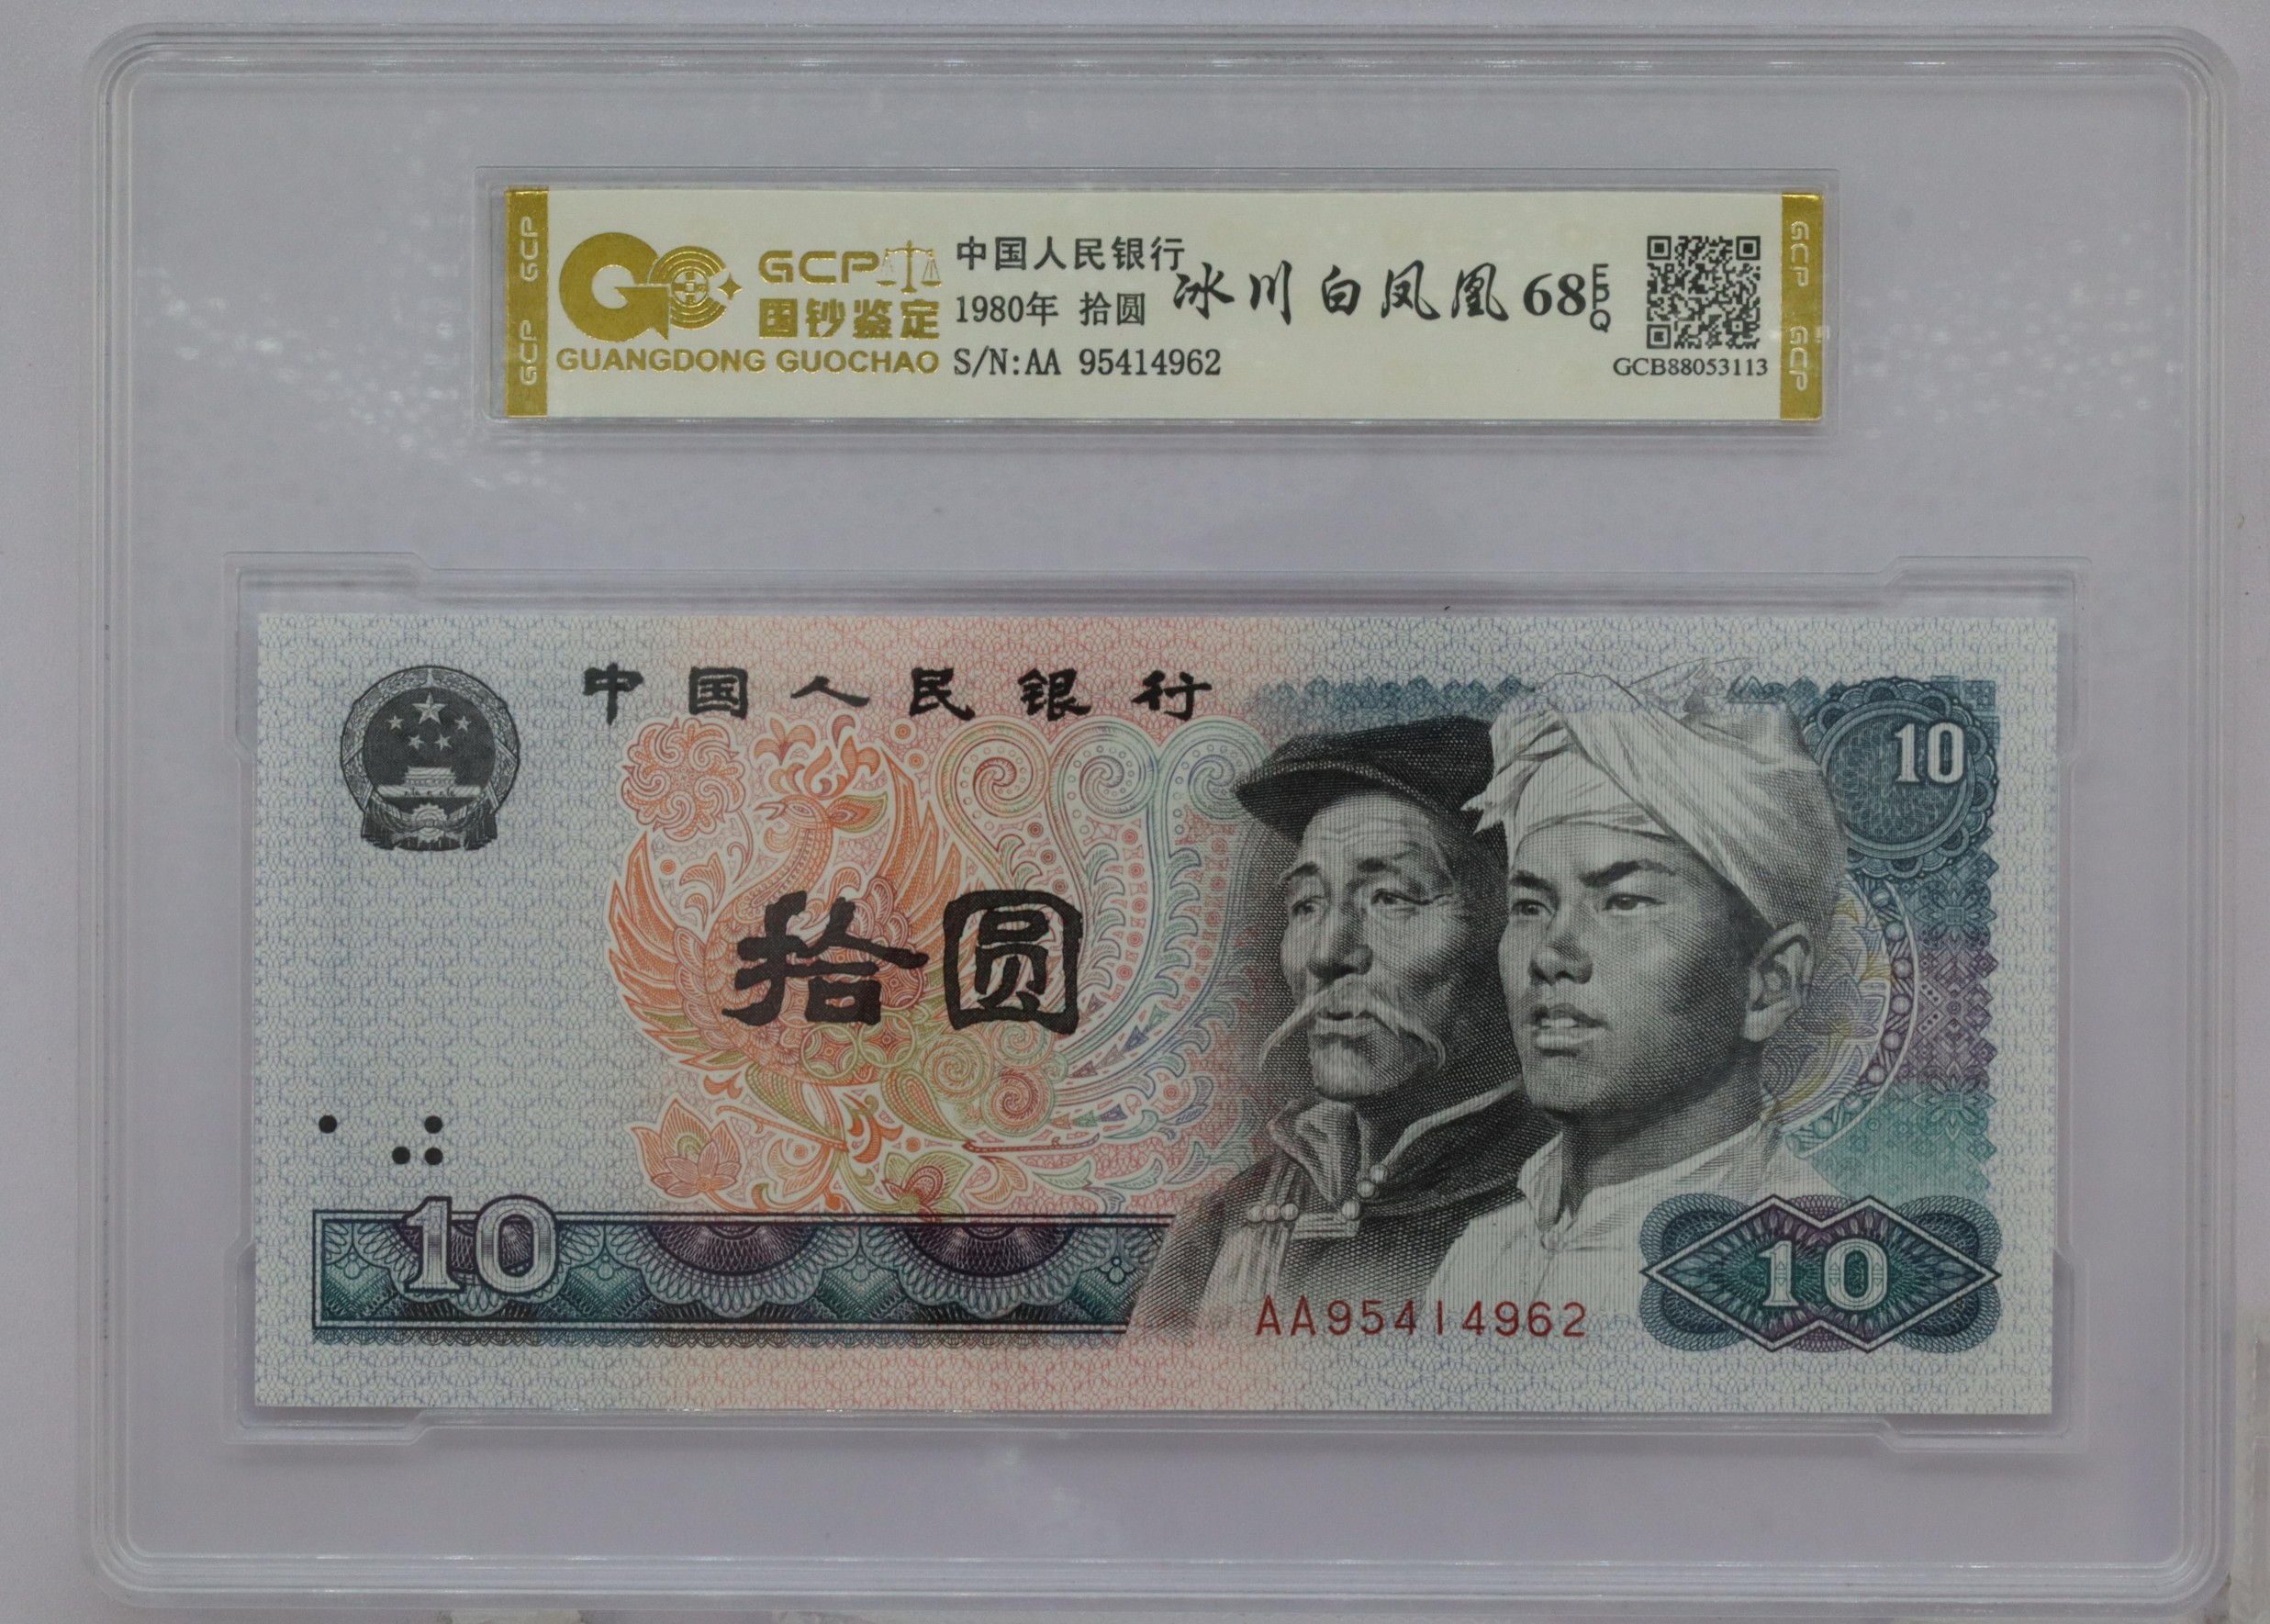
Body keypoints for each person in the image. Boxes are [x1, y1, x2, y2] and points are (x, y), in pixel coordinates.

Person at [1427, 667, 1844, 1326]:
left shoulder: (1812, 1276)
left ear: (1768, 983)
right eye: (1530, 905)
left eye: (1623, 902)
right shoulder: (1479, 1258)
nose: (1550, 955)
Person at [1135, 716, 1546, 1334]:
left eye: (1390, 898)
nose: (1327, 953)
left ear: (1516, 928)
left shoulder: (1579, 1203)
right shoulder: (1227, 1221)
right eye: (1306, 904)